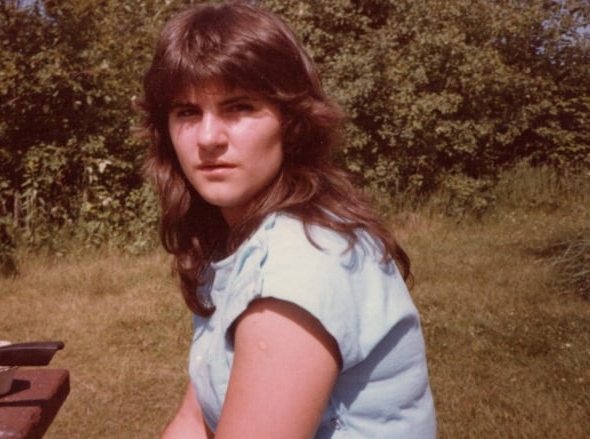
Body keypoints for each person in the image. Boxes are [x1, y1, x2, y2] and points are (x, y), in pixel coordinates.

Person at [136, 1, 437, 438]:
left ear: (292, 123)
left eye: (238, 107)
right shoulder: (237, 239)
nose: (208, 138)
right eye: (187, 111)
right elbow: (195, 418)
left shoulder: (302, 262)